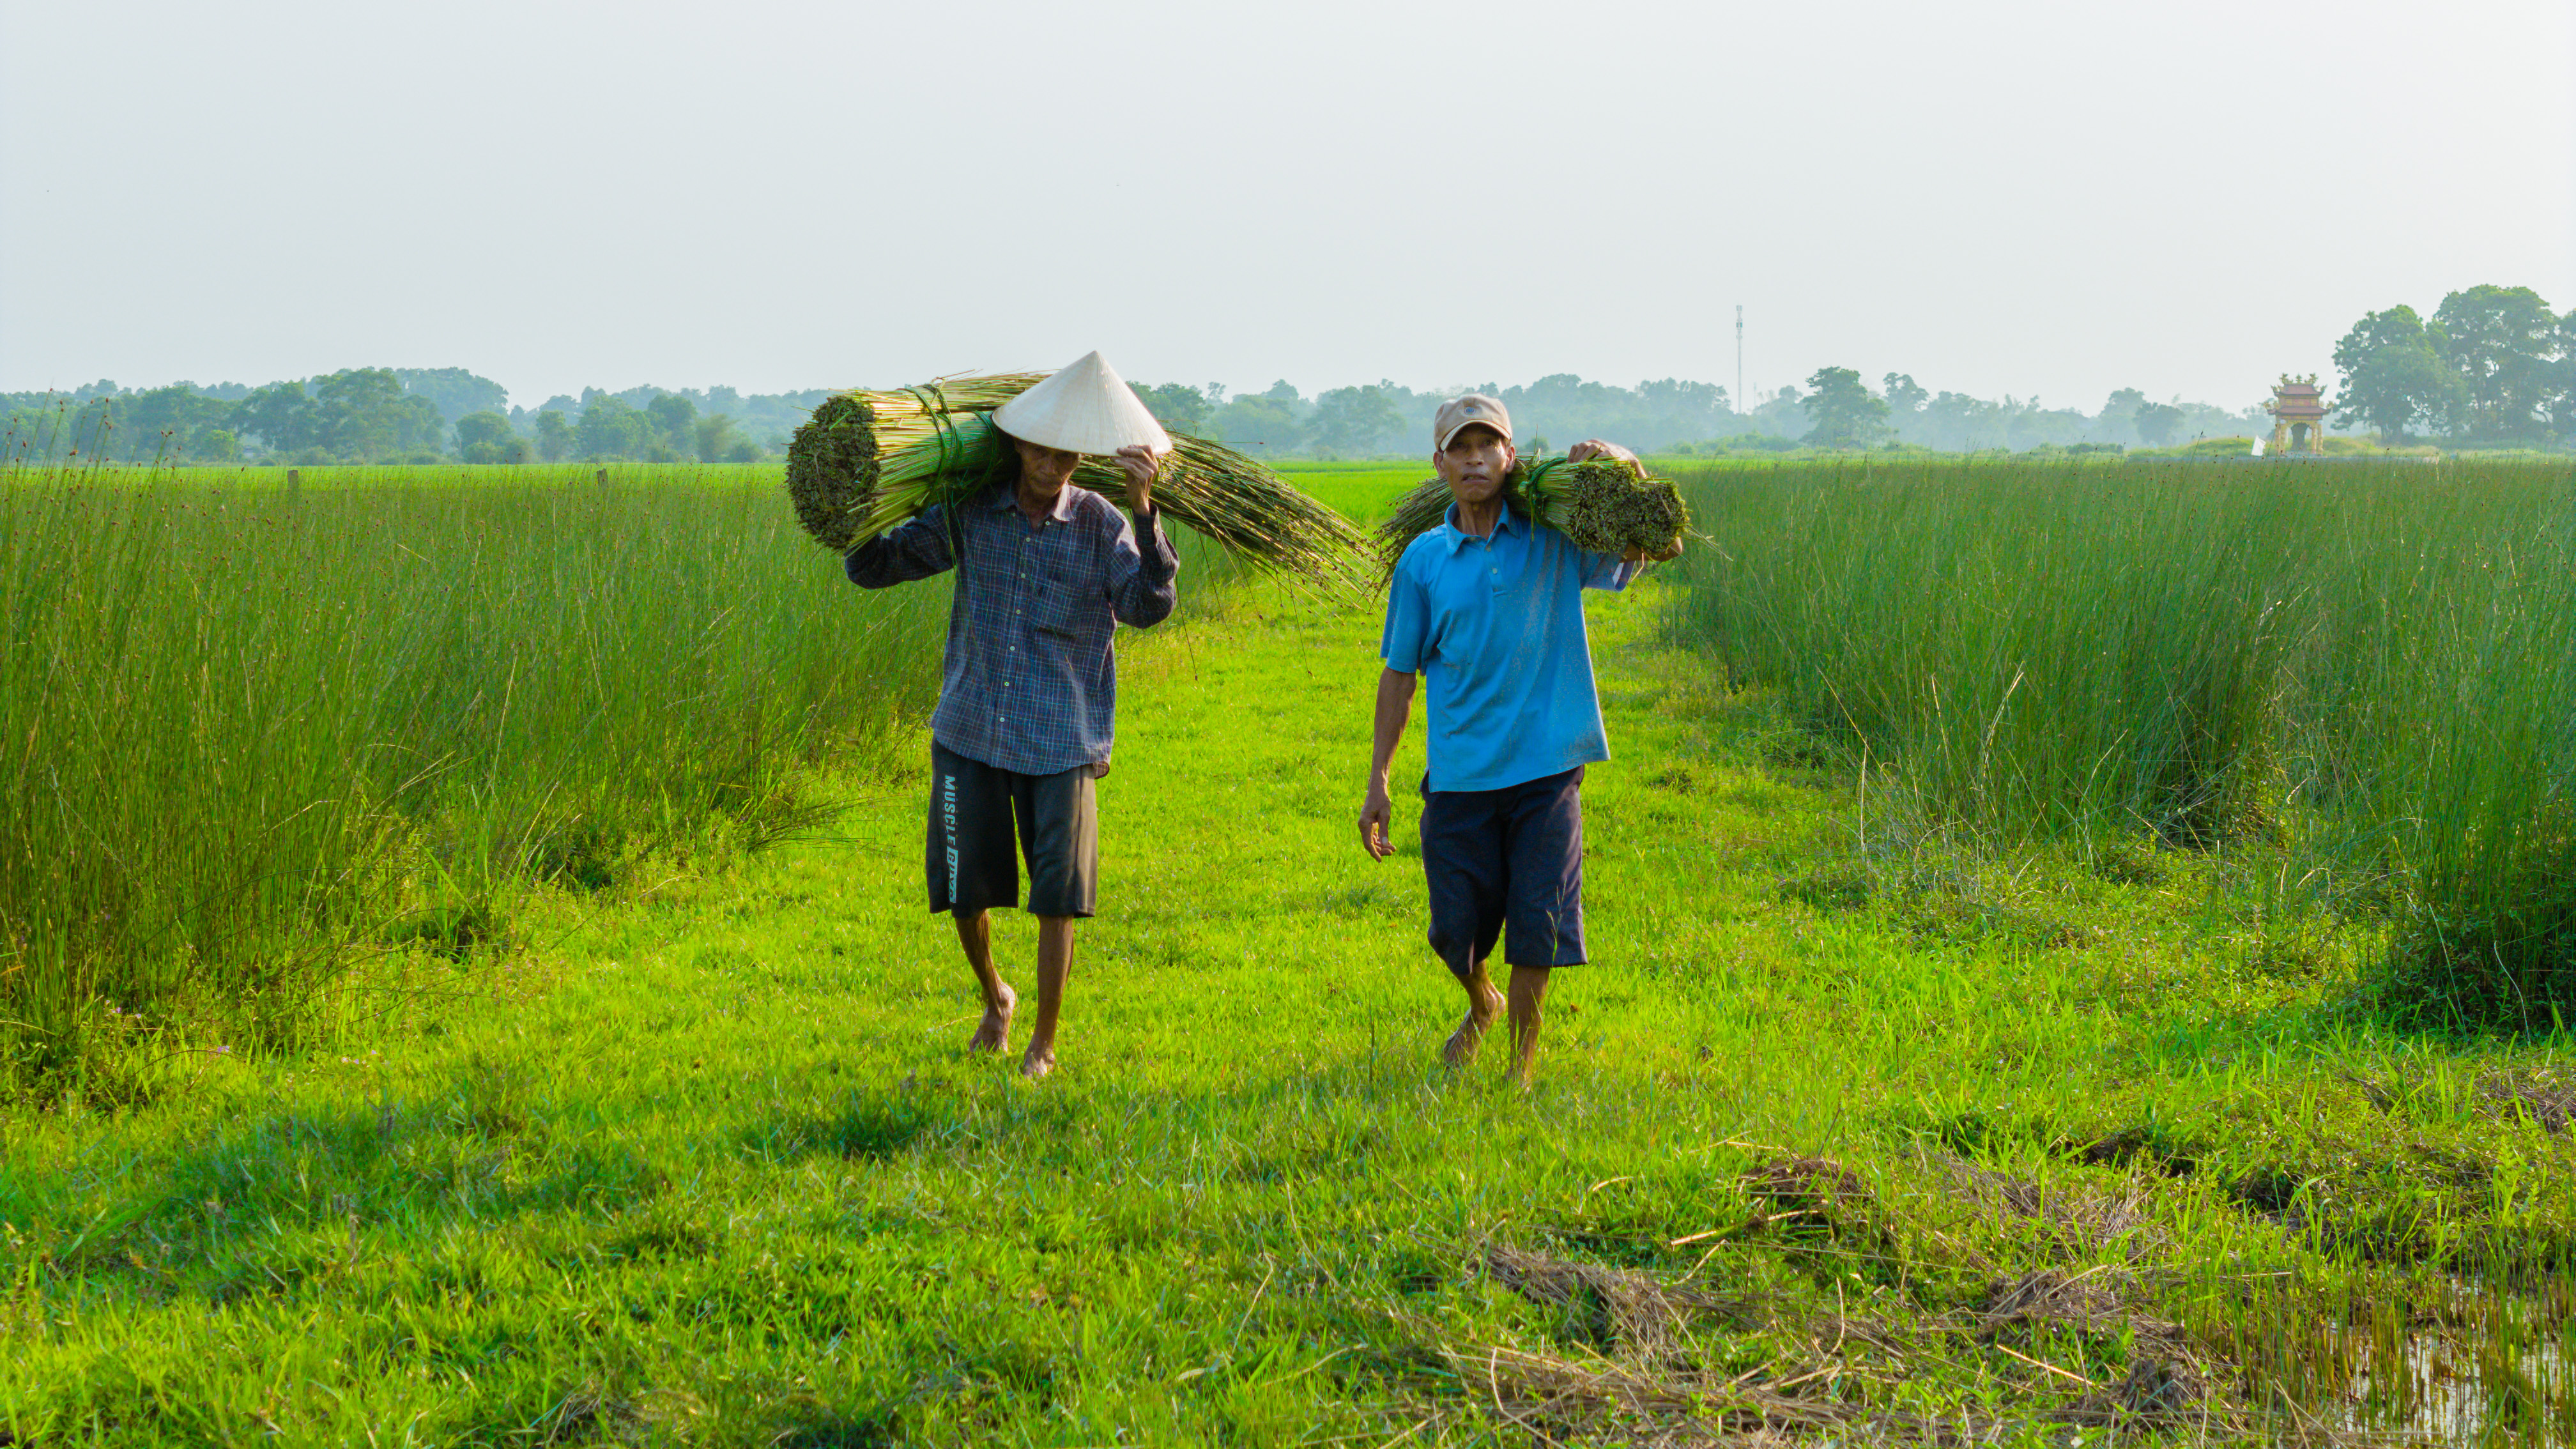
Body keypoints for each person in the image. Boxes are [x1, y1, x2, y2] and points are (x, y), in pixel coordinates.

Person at [844, 351, 1178, 1079]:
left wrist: (1147, 511)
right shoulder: (972, 513)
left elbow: (1148, 606)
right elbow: (878, 567)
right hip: (970, 729)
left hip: (1062, 737)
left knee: (1059, 894)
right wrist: (865, 501)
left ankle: (1044, 1043)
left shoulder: (1101, 523)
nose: (1052, 461)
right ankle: (996, 996)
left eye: (1066, 451)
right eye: (1040, 446)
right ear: (1016, 444)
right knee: (964, 885)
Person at [1358, 394, 1682, 1084]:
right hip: (1460, 773)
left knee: (1540, 922)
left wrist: (1621, 461)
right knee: (1454, 933)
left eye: (1488, 447)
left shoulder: (1554, 538)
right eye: (1461, 449)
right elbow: (1398, 674)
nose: (1475, 460)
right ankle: (1483, 1003)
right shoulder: (1424, 560)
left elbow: (1658, 543)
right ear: (1439, 462)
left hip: (1547, 768)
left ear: (1510, 458)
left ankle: (1520, 1071)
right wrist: (1379, 779)